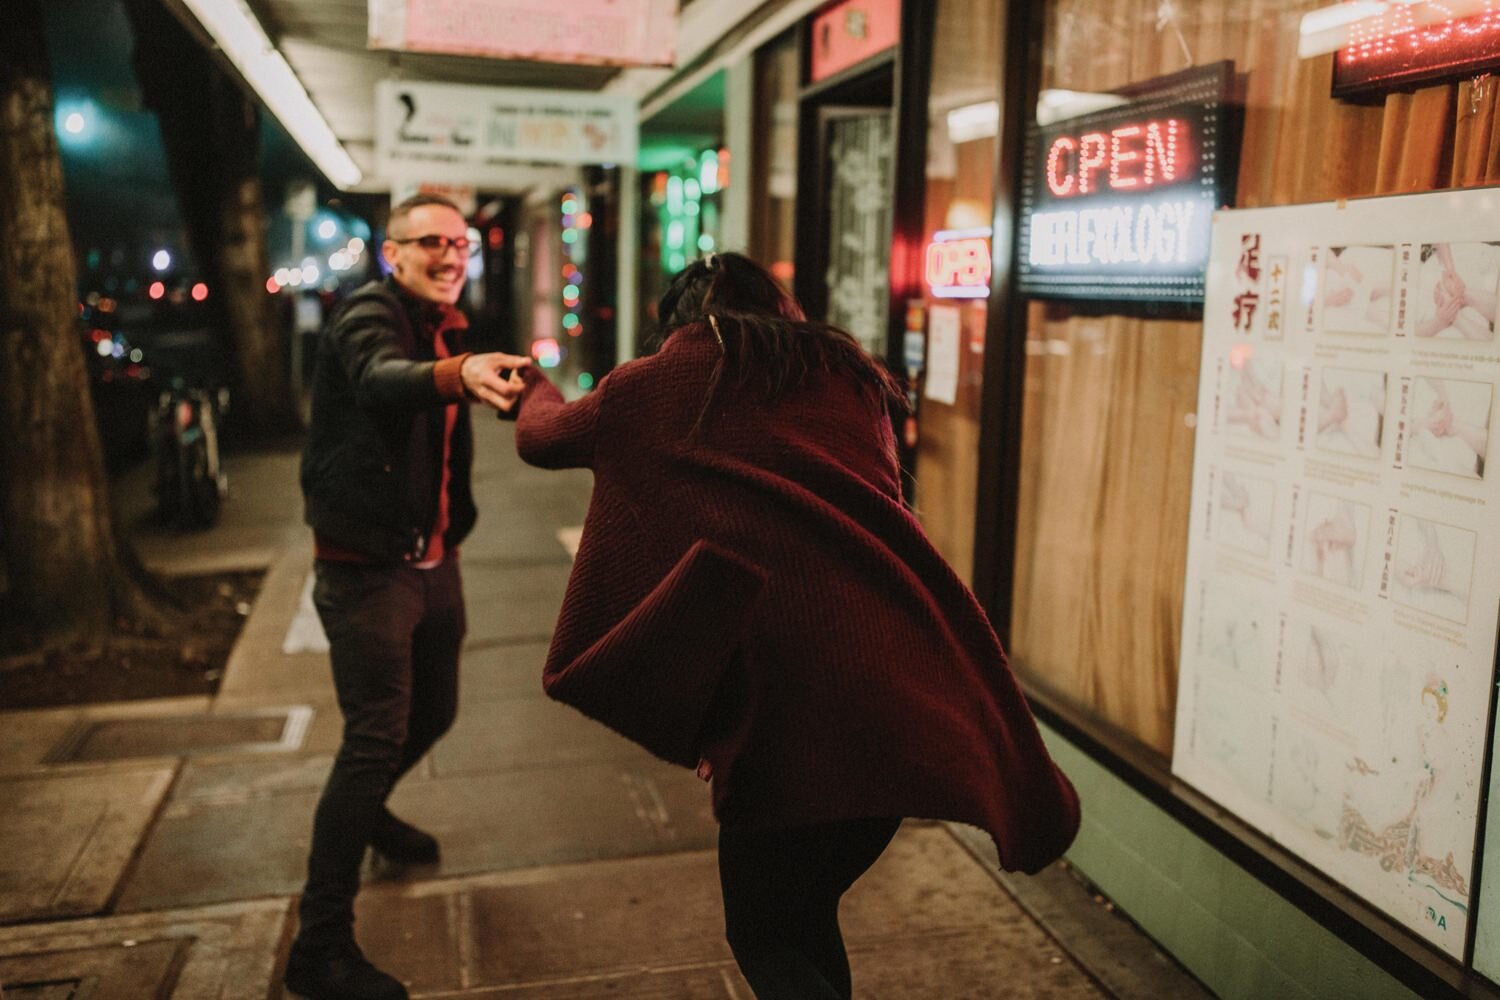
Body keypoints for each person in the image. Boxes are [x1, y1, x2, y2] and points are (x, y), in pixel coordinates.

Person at [511, 252, 1080, 999]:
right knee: (805, 914)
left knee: (763, 934)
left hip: (793, 717)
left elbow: (542, 437)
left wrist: (530, 384)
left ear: (676, 326)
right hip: (903, 687)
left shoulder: (653, 387)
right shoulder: (850, 379)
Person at [286, 194, 529, 1000]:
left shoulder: (446, 322)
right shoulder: (370, 317)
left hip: (432, 557)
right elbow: (381, 382)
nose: (451, 256)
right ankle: (318, 950)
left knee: (435, 713)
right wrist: (457, 374)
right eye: (431, 243)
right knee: (373, 739)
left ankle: (372, 816)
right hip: (368, 569)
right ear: (392, 255)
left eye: (460, 243)